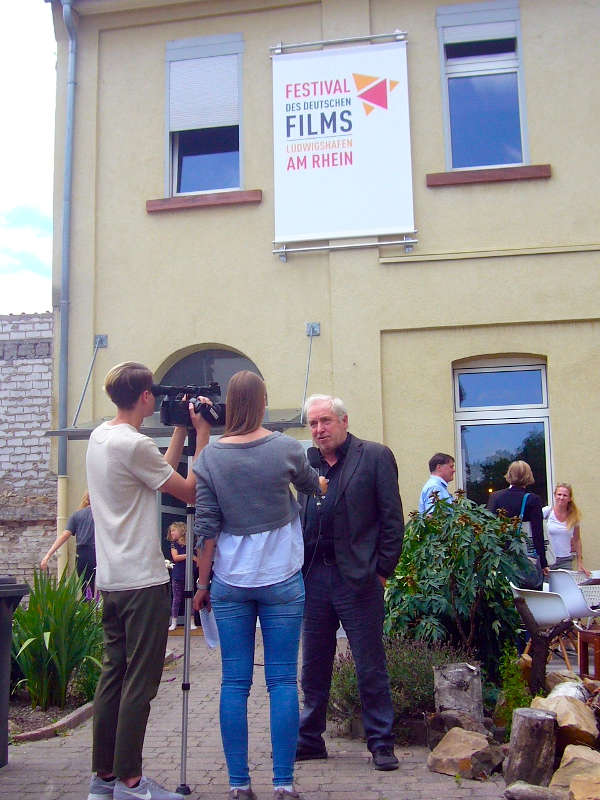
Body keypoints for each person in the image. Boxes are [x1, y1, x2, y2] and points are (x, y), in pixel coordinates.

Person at [192, 370, 324, 800]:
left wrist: (201, 583)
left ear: (229, 405)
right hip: (283, 576)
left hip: (230, 579)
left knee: (234, 682)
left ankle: (238, 784)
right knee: (283, 681)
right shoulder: (287, 447)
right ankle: (283, 784)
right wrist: (318, 484)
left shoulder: (210, 457)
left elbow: (207, 527)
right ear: (264, 401)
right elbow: (311, 487)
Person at [85, 361, 211, 800]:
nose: (157, 399)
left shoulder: (102, 438)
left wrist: (178, 431)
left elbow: (158, 476)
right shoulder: (133, 444)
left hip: (113, 580)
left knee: (112, 677)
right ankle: (132, 782)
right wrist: (202, 435)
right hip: (143, 581)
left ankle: (103, 780)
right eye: (153, 394)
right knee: (140, 681)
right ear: (143, 397)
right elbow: (190, 489)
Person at [296, 394, 404, 772]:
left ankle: (381, 743)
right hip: (315, 577)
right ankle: (309, 740)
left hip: (358, 578)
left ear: (343, 420)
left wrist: (382, 571)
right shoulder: (307, 465)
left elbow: (392, 519)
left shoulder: (373, 456)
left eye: (325, 421)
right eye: (313, 424)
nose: (319, 430)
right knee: (313, 664)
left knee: (369, 664)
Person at [487, 460, 548, 587]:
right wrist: (543, 562)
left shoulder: (495, 497)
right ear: (528, 476)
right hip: (525, 560)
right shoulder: (533, 499)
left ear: (509, 475)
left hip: (501, 559)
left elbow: (489, 529)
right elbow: (538, 534)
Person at [40, 489, 97, 595]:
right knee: (102, 588)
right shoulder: (101, 514)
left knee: (86, 588)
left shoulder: (77, 516)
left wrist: (48, 555)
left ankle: (88, 610)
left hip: (82, 555)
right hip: (98, 552)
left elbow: (64, 536)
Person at [544, 483, 590, 575]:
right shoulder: (546, 512)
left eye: (565, 495)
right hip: (548, 560)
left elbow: (577, 540)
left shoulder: (573, 517)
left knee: (565, 588)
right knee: (548, 588)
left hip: (565, 561)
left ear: (569, 498)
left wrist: (580, 562)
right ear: (555, 495)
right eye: (559, 494)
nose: (561, 497)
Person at [168, 521, 197, 631]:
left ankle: (191, 621)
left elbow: (197, 558)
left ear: (181, 531)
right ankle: (174, 621)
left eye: (173, 530)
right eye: (171, 531)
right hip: (178, 575)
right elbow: (175, 557)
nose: (171, 533)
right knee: (176, 598)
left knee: (190, 598)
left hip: (189, 574)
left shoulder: (190, 543)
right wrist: (188, 555)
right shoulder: (173, 544)